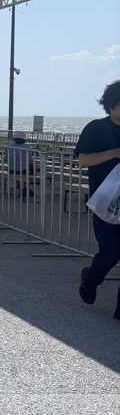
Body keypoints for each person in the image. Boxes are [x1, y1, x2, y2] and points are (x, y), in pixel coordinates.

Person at [74, 80, 120, 321]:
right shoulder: (96, 128)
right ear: (111, 106)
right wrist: (113, 153)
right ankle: (90, 278)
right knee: (110, 253)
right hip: (104, 204)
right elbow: (82, 160)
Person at [7, 134, 33, 199]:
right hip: (23, 170)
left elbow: (5, 158)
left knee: (17, 171)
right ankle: (25, 187)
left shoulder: (10, 145)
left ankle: (20, 187)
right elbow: (30, 160)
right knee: (31, 168)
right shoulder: (26, 146)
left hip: (11, 169)